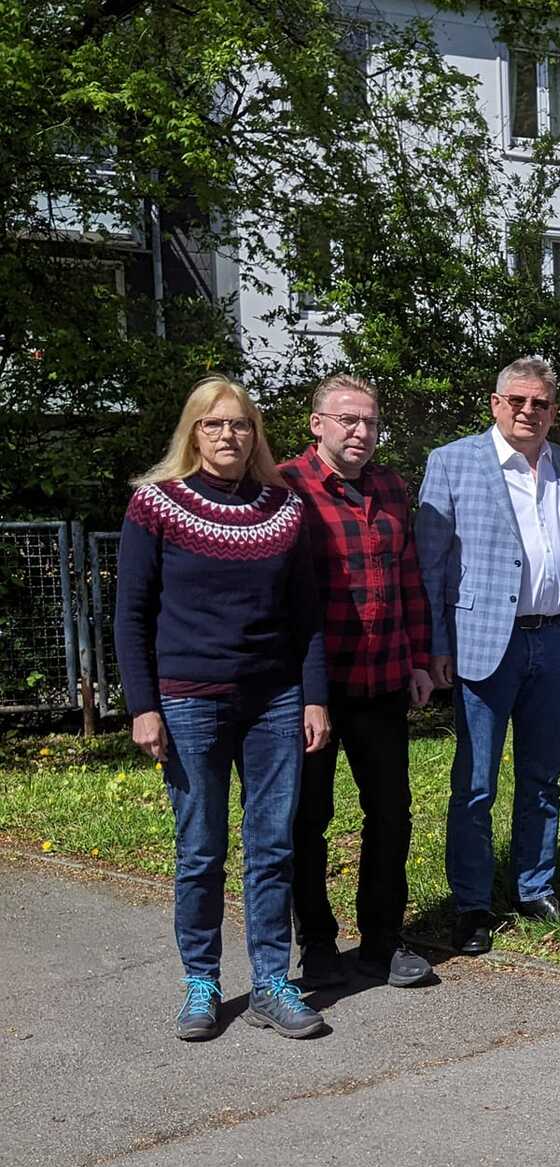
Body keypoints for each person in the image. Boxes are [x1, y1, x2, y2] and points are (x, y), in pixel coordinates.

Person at [115, 374, 331, 1041]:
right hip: (187, 701)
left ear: (255, 433)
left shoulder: (284, 508)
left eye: (239, 424)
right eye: (214, 424)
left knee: (271, 848)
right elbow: (130, 614)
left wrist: (315, 695)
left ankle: (271, 982)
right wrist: (142, 706)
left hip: (274, 699)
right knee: (201, 848)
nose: (228, 435)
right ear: (193, 432)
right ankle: (202, 982)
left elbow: (308, 618)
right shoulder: (155, 505)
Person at [416, 356, 560, 956]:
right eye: (517, 401)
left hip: (550, 642)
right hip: (482, 644)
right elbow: (431, 565)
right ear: (496, 404)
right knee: (475, 784)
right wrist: (436, 646)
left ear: (553, 409)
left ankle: (533, 886)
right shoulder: (453, 462)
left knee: (543, 776)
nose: (528, 412)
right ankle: (471, 904)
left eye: (540, 403)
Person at [280, 374, 435, 991]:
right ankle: (315, 943)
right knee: (307, 819)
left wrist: (420, 661)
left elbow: (410, 580)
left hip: (383, 680)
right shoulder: (286, 487)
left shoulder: (391, 486)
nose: (360, 432)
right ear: (317, 423)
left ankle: (381, 940)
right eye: (347, 420)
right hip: (312, 690)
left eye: (369, 421)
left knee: (390, 814)